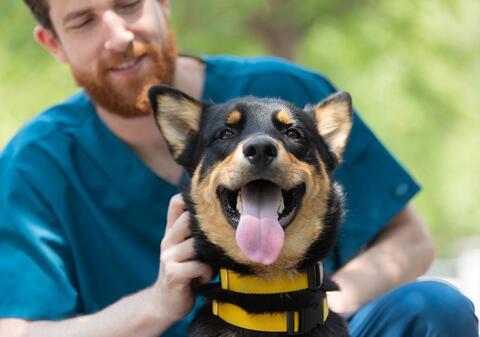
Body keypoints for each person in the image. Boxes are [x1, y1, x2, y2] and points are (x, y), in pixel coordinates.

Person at [0, 0, 477, 336]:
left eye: (128, 3)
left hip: (323, 325)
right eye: (83, 20)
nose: (119, 36)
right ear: (53, 43)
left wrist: (315, 308)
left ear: (162, 3)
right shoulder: (34, 165)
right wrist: (156, 305)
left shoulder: (282, 88)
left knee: (432, 309)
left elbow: (411, 241)